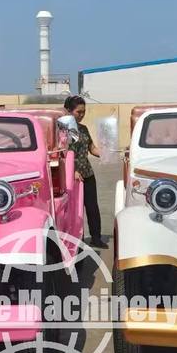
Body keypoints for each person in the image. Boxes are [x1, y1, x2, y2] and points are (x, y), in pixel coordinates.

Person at [63, 95, 107, 249]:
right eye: (78, 112)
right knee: (76, 210)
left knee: (92, 207)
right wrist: (73, 171)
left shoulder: (83, 129)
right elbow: (62, 153)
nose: (81, 115)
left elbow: (92, 148)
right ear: (68, 111)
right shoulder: (62, 130)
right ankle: (77, 240)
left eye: (83, 112)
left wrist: (107, 153)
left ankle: (96, 238)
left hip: (87, 173)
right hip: (72, 177)